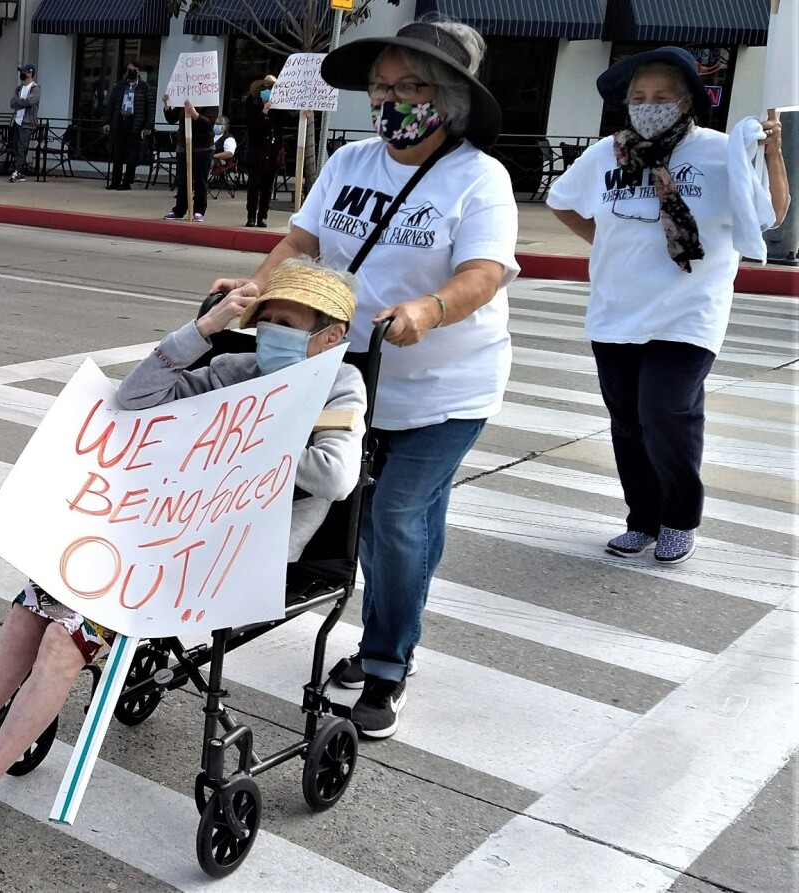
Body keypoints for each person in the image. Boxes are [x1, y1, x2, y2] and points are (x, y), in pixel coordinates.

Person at [0, 258, 365, 864]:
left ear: (330, 335)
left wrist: (241, 455)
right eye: (269, 321)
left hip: (238, 553)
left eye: (290, 322)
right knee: (32, 605)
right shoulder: (239, 368)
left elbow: (336, 476)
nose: (274, 333)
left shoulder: (341, 384)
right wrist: (202, 331)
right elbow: (136, 398)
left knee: (65, 638)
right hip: (167, 531)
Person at [211, 21, 518, 739]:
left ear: (447, 99)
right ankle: (398, 631)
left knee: (395, 518)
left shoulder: (480, 178)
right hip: (347, 377)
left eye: (409, 85)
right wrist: (254, 293)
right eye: (382, 85)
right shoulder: (350, 162)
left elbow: (485, 272)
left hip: (445, 387)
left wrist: (430, 307)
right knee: (387, 518)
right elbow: (303, 242)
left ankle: (385, 663)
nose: (390, 98)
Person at [547, 46, 790, 565]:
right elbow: (562, 202)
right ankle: (643, 519)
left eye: (661, 96)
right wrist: (607, 243)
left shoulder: (720, 152)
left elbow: (771, 213)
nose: (649, 104)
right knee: (628, 423)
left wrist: (772, 155)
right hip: (615, 312)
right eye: (639, 97)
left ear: (686, 103)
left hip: (688, 312)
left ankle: (679, 518)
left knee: (667, 413)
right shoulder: (607, 153)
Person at [162, 93, 218, 222]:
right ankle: (179, 209)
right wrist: (166, 104)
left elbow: (209, 122)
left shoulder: (210, 100)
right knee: (183, 180)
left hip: (203, 146)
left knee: (200, 180)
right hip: (184, 145)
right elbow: (172, 118)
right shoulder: (185, 100)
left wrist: (194, 113)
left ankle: (199, 210)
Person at [102, 60, 157, 191]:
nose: (131, 72)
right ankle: (115, 181)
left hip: (135, 123)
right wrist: (106, 122)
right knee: (118, 153)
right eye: (129, 70)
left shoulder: (144, 87)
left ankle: (126, 182)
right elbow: (111, 104)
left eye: (134, 70)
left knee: (132, 154)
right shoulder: (120, 86)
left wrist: (147, 126)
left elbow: (150, 108)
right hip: (120, 121)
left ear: (139, 72)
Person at [243, 75, 284, 227]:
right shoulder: (253, 108)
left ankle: (262, 216)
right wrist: (263, 112)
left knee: (267, 188)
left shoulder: (279, 110)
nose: (267, 91)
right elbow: (251, 125)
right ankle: (251, 216)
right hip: (256, 154)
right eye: (265, 88)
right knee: (254, 186)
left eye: (270, 88)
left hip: (272, 154)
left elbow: (291, 118)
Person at [8, 63, 40, 183]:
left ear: (30, 74)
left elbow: (30, 101)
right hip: (17, 121)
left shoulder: (35, 88)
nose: (22, 74)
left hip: (27, 123)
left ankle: (17, 170)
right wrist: (22, 102)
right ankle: (20, 170)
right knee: (16, 147)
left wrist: (19, 102)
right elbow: (12, 103)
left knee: (22, 147)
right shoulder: (19, 89)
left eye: (24, 72)